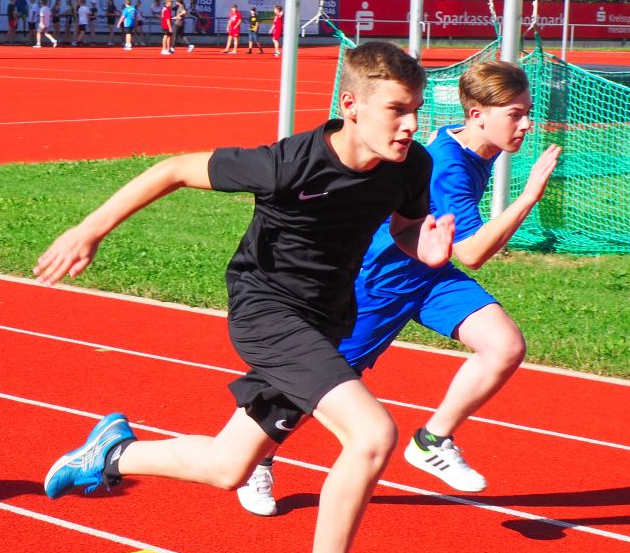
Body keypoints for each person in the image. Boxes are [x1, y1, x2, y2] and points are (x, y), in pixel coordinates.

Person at [37, 41, 455, 553]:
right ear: (351, 106)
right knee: (372, 435)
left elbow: (403, 225)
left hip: (326, 322)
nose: (411, 124)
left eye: (416, 109)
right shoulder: (288, 165)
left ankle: (112, 454)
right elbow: (174, 169)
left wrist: (422, 249)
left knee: (230, 467)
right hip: (267, 314)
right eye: (397, 110)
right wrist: (88, 229)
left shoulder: (409, 166)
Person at [235, 61, 562, 519]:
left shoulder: (471, 147)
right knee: (309, 387)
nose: (526, 124)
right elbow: (472, 253)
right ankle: (256, 457)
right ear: (477, 115)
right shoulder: (448, 166)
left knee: (504, 345)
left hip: (430, 276)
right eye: (515, 114)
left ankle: (432, 440)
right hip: (381, 282)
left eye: (527, 112)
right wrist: (528, 196)